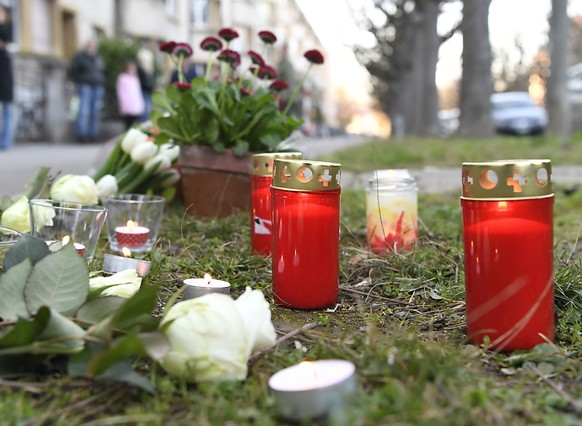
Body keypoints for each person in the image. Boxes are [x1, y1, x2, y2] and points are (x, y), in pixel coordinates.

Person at [69, 40, 105, 143]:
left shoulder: (98, 58)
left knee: (95, 112)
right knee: (84, 111)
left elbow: (102, 71)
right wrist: (80, 81)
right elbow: (74, 70)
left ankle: (93, 135)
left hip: (97, 86)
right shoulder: (81, 57)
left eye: (93, 46)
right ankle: (82, 135)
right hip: (85, 86)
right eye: (90, 46)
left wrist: (101, 81)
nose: (92, 48)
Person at [116, 60, 145, 129]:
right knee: (128, 124)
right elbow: (121, 93)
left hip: (136, 106)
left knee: (135, 125)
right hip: (128, 106)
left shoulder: (135, 78)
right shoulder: (122, 78)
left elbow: (138, 93)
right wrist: (125, 105)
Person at [0, 4, 13, 151]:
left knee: (7, 111)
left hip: (5, 81)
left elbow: (7, 39)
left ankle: (6, 141)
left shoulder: (8, 26)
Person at [136, 48, 155, 122]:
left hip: (148, 92)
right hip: (144, 92)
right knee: (145, 111)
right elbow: (144, 83)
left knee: (148, 111)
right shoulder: (141, 70)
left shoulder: (147, 70)